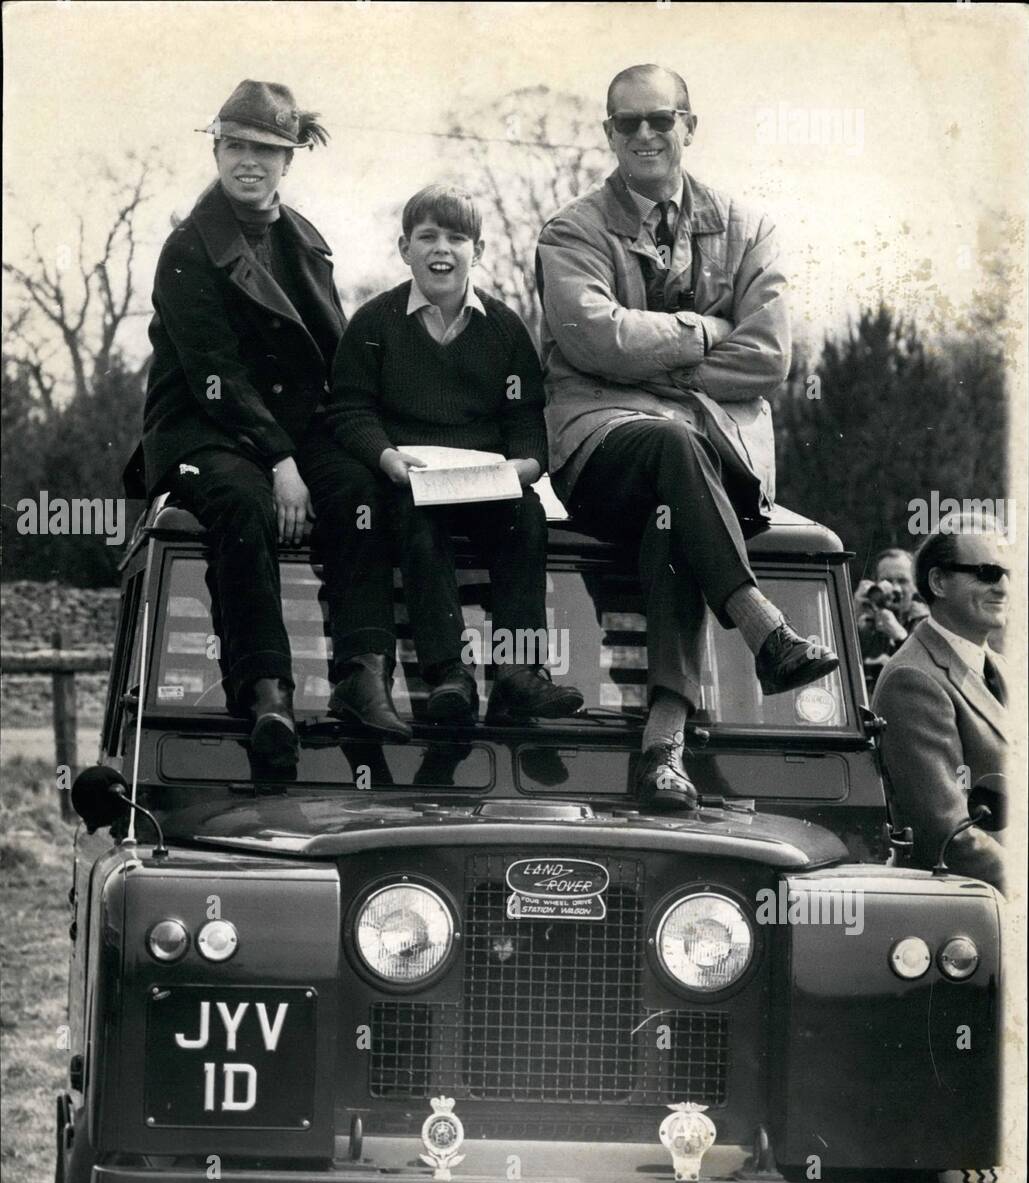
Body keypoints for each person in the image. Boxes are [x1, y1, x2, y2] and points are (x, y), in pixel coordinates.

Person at [536, 63, 838, 811]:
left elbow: (770, 355)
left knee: (675, 509)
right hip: (598, 446)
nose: (644, 135)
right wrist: (705, 332)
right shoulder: (571, 229)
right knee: (672, 449)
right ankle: (762, 626)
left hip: (714, 457)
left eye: (659, 120)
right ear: (608, 133)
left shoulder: (748, 227)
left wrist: (652, 371)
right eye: (626, 122)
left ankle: (661, 751)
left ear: (688, 126)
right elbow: (590, 337)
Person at [128, 80, 401, 768]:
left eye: (266, 150)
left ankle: (363, 676)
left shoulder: (306, 242)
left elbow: (334, 354)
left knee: (360, 491)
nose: (249, 160)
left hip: (292, 427)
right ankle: (266, 693)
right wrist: (282, 463)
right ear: (217, 151)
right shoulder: (189, 247)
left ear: (289, 161)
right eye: (237, 146)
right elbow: (214, 374)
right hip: (203, 424)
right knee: (241, 504)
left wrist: (371, 440)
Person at [328, 183, 583, 725]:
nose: (441, 249)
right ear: (405, 249)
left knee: (526, 517)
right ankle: (448, 674)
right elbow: (351, 410)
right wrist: (387, 458)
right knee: (416, 527)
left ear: (478, 252)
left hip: (485, 484)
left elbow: (525, 419)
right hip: (411, 482)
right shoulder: (373, 325)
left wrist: (524, 466)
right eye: (427, 237)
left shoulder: (506, 330)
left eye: (457, 238)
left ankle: (519, 672)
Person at [871, 520, 1008, 890]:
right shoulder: (913, 679)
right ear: (938, 583)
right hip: (968, 907)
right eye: (987, 573)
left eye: (1008, 572)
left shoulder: (998, 666)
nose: (1004, 587)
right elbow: (950, 836)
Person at [854, 547, 928, 690]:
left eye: (902, 581)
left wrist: (900, 637)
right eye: (887, 580)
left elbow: (931, 673)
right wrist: (853, 612)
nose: (895, 588)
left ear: (916, 585)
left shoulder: (927, 623)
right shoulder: (866, 622)